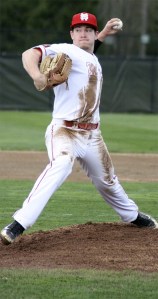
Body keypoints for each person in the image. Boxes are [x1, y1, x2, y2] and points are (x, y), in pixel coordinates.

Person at [1, 12, 157, 245]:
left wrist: (103, 34)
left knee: (107, 181)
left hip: (93, 135)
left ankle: (132, 215)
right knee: (61, 165)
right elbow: (29, 53)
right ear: (71, 34)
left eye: (88, 30)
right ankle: (18, 224)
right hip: (65, 131)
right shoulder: (65, 50)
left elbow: (89, 53)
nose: (83, 33)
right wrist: (36, 75)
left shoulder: (91, 57)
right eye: (78, 29)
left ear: (94, 34)